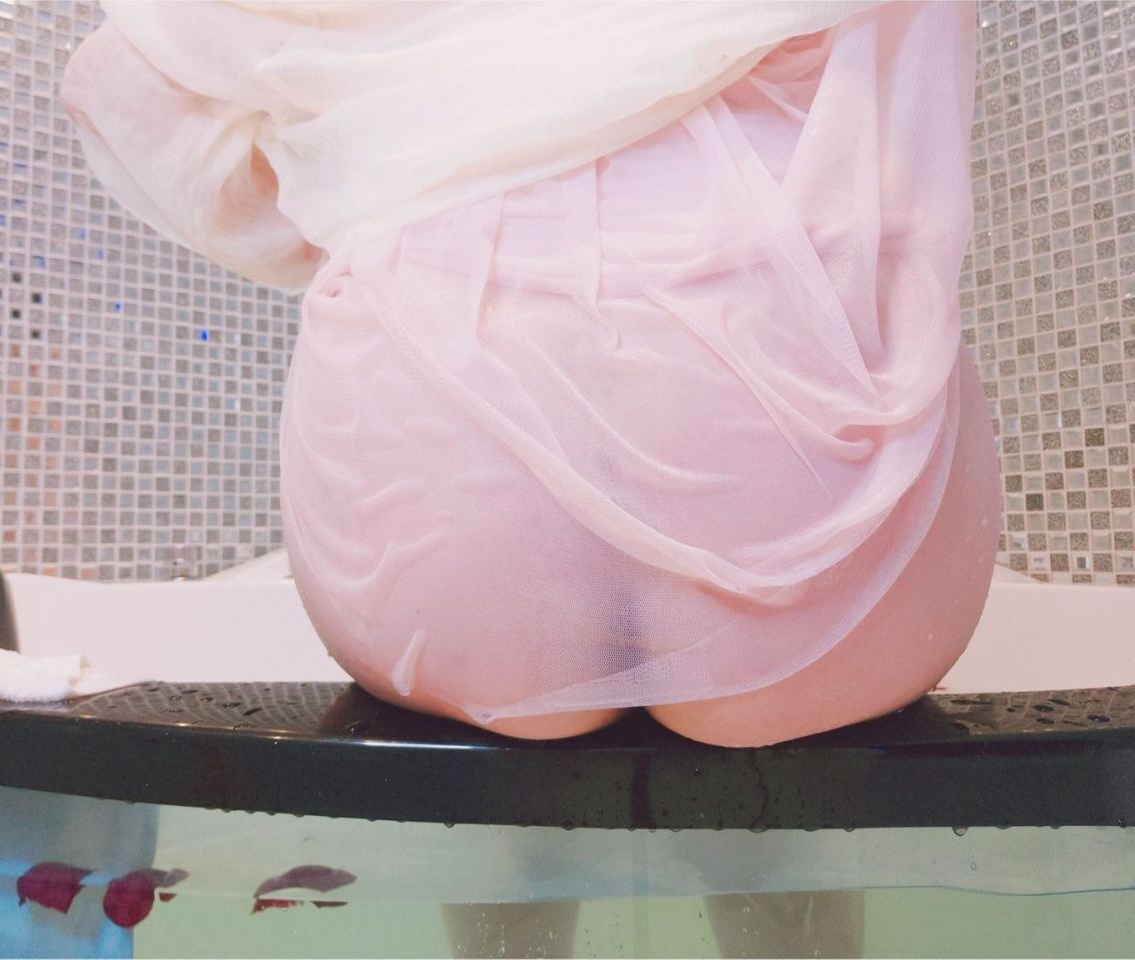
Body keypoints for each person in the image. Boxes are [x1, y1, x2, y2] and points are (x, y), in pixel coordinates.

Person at [61, 0, 994, 746]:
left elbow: (127, 85)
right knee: (798, 847)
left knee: (501, 848)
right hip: (795, 367)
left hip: (432, 365)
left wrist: (365, 176)